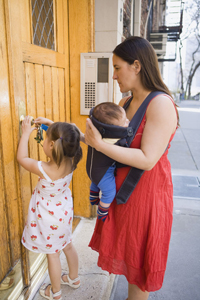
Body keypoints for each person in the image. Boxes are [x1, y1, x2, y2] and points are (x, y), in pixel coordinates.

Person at [84, 36, 179, 300]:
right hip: (124, 195)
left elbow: (148, 159)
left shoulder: (160, 103)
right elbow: (102, 141)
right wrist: (59, 128)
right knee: (127, 260)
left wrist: (100, 146)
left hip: (147, 197)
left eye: (117, 67)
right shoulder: (125, 103)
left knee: (138, 275)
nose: (114, 75)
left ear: (136, 66)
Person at [17, 117, 82, 300]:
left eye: (45, 139)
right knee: (68, 245)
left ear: (52, 145)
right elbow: (68, 139)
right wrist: (50, 125)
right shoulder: (73, 159)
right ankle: (74, 279)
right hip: (64, 213)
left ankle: (55, 292)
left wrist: (26, 133)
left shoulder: (44, 168)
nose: (44, 141)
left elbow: (21, 158)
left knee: (52, 254)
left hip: (48, 218)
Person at [87, 102, 129, 221]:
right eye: (124, 122)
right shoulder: (115, 140)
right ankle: (102, 212)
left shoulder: (96, 134)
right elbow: (124, 156)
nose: (128, 121)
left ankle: (93, 197)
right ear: (113, 129)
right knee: (109, 192)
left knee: (96, 182)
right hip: (103, 173)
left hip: (92, 170)